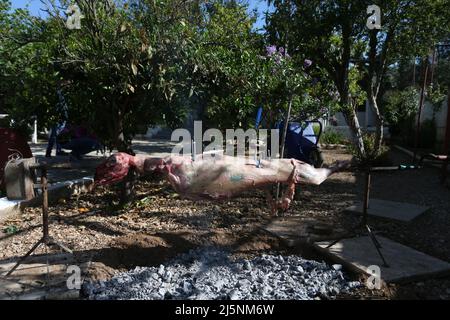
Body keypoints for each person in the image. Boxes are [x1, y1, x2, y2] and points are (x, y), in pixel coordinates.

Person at [95, 152, 350, 214]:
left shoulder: (285, 169)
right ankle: (336, 167)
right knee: (315, 177)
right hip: (215, 172)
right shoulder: (171, 167)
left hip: (220, 171)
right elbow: (163, 164)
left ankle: (337, 166)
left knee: (316, 178)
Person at [45, 82, 69, 157]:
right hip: (59, 118)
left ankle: (54, 151)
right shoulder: (59, 93)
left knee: (55, 135)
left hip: (59, 117)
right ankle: (52, 152)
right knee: (55, 135)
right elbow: (60, 106)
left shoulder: (59, 93)